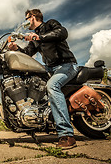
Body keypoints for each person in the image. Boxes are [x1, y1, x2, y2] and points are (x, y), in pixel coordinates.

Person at [8, 8, 78, 149]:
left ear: (33, 17)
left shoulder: (50, 24)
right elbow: (27, 52)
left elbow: (62, 33)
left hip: (66, 65)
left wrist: (39, 37)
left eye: (27, 18)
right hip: (50, 68)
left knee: (52, 86)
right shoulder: (36, 37)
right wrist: (16, 48)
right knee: (30, 78)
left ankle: (67, 134)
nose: (25, 21)